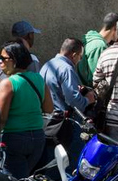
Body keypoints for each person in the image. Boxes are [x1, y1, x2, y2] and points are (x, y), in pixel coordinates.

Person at [0, 41, 53, 177]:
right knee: (24, 178)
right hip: (37, 139)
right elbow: (49, 108)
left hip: (14, 140)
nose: (0, 62)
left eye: (3, 58)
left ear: (14, 60)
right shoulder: (39, 79)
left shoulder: (8, 84)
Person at [39, 38, 95, 172]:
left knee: (52, 160)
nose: (79, 60)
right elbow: (73, 100)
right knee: (71, 162)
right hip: (65, 124)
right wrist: (88, 100)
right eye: (80, 57)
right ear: (73, 54)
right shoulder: (66, 68)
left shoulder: (47, 65)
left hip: (47, 122)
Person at [0, 21, 43, 104]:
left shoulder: (4, 57)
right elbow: (33, 88)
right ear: (30, 35)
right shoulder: (32, 60)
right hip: (17, 108)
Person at [78, 13, 118, 88]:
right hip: (91, 94)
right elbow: (95, 79)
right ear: (115, 28)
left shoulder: (91, 40)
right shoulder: (99, 46)